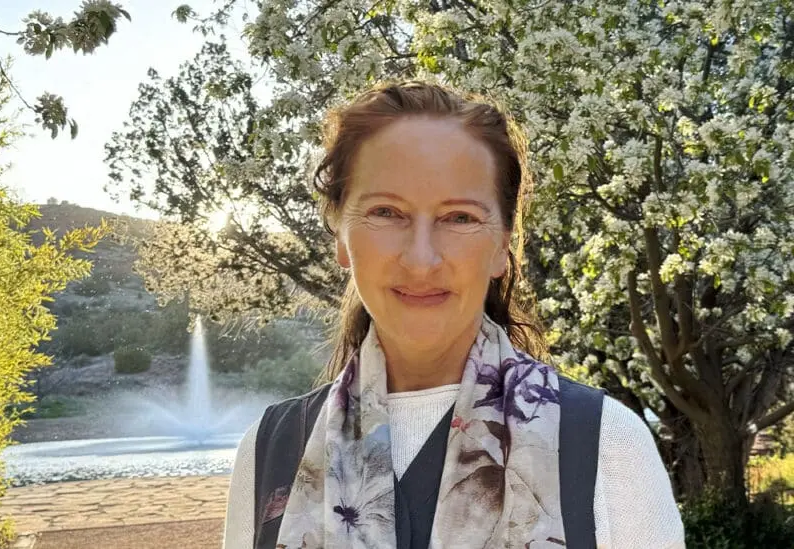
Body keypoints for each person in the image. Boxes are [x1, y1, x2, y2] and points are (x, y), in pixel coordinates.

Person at [223, 81, 685, 549]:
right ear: (341, 234)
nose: (421, 259)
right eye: (386, 211)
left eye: (459, 218)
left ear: (503, 244)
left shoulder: (606, 445)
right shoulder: (269, 452)